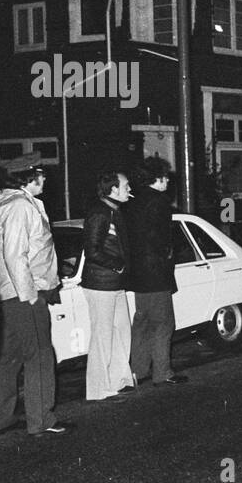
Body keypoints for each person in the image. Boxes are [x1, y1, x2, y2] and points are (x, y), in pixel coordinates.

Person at [0, 153, 67, 436]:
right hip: (24, 294)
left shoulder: (3, 205)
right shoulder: (20, 206)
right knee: (40, 355)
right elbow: (15, 255)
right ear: (28, 177)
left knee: (9, 358)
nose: (45, 178)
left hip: (6, 294)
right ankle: (41, 419)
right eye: (41, 173)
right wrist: (30, 295)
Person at [125, 157, 186, 386]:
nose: (168, 181)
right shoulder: (159, 202)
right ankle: (163, 372)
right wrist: (168, 254)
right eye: (165, 177)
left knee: (142, 322)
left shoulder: (133, 202)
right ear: (157, 179)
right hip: (156, 272)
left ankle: (138, 370)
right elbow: (161, 238)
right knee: (163, 323)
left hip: (138, 274)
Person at [81, 171, 136, 400]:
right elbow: (92, 251)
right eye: (126, 187)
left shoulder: (114, 212)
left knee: (122, 331)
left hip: (114, 283)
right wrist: (118, 266)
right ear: (113, 190)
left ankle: (118, 380)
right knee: (102, 336)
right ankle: (97, 388)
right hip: (101, 283)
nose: (129, 191)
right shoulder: (100, 214)